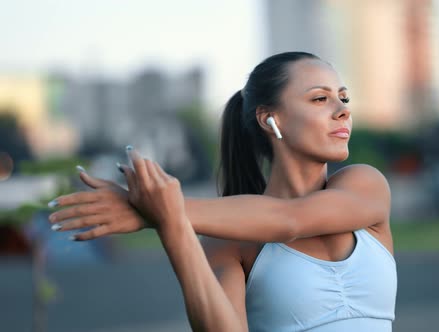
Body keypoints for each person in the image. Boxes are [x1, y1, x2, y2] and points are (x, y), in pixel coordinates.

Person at [47, 52, 397, 331]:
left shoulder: (365, 185)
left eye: (344, 97)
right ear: (269, 119)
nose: (343, 110)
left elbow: (291, 220)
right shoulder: (226, 243)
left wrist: (155, 209)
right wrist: (171, 225)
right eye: (320, 99)